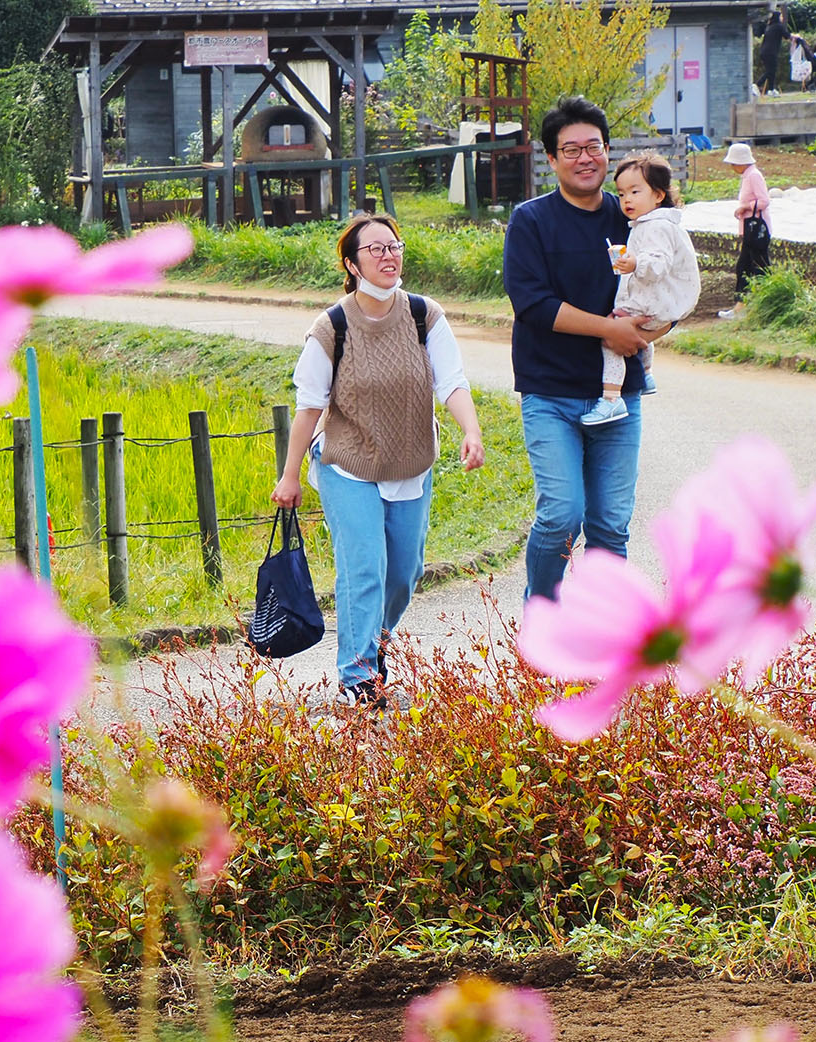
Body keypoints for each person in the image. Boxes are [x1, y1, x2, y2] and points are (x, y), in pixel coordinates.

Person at [271, 214, 485, 708]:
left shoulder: (423, 315)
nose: (389, 256)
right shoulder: (333, 326)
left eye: (395, 246)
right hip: (349, 464)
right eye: (376, 249)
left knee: (404, 572)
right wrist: (289, 475)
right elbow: (308, 406)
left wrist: (470, 430)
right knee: (364, 567)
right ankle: (357, 677)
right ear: (352, 262)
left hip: (412, 461)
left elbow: (451, 380)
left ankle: (373, 642)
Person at [502, 95, 670, 604]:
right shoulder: (531, 221)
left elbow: (669, 281)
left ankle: (601, 635)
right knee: (561, 515)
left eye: (592, 147)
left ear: (607, 151)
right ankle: (544, 616)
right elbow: (532, 302)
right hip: (551, 394)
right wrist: (607, 330)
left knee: (610, 527)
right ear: (550, 159)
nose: (584, 158)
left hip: (621, 398)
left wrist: (652, 328)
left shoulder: (635, 220)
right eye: (570, 149)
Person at [584, 154, 701, 427]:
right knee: (639, 335)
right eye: (622, 193)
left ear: (658, 195)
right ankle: (646, 373)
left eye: (635, 192)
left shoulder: (655, 227)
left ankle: (611, 399)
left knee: (611, 337)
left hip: (655, 302)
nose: (627, 200)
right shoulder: (656, 223)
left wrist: (636, 262)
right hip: (666, 302)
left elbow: (658, 264)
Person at [719, 141, 771, 319]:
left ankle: (746, 308)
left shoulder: (754, 176)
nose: (732, 167)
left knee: (753, 268)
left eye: (734, 163)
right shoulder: (748, 176)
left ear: (741, 162)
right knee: (748, 268)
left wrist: (745, 208)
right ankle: (744, 308)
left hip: (757, 230)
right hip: (751, 230)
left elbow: (764, 200)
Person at [757, 10, 789, 96]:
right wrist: (796, 37)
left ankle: (771, 89)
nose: (782, 18)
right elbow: (787, 36)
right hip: (771, 52)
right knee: (771, 71)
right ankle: (757, 85)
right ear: (778, 17)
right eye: (781, 16)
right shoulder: (779, 26)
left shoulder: (769, 27)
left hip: (764, 52)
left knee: (771, 71)